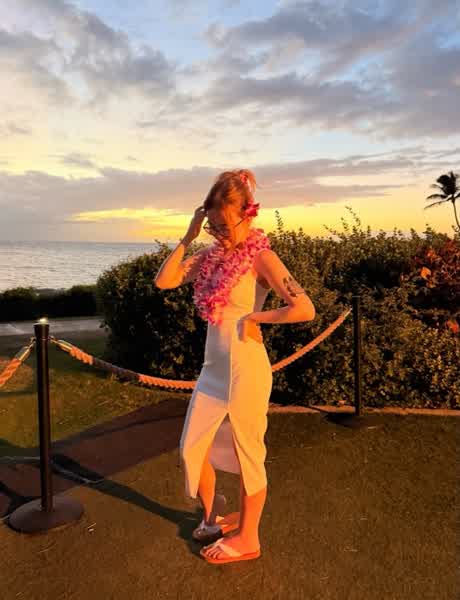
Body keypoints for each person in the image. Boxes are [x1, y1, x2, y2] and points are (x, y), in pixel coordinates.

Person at [154, 169, 316, 564]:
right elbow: (165, 281)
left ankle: (248, 538)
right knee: (192, 448)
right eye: (213, 226)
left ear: (248, 214)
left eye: (224, 226)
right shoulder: (209, 257)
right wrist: (189, 236)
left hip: (247, 369)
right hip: (213, 370)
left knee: (248, 455)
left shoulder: (262, 257)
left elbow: (304, 308)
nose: (220, 234)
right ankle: (212, 516)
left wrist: (257, 318)